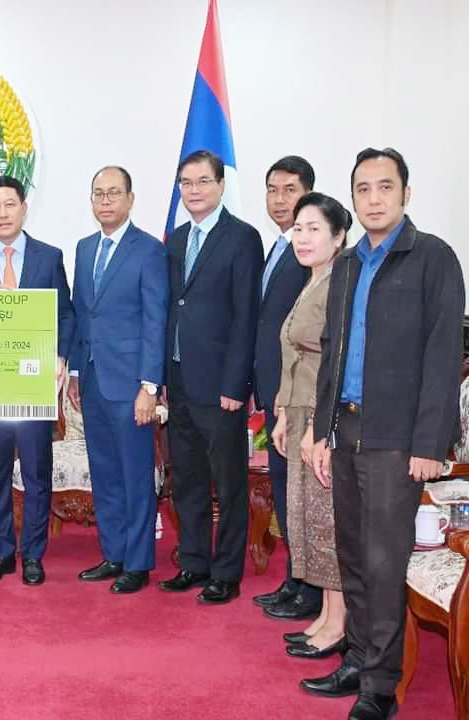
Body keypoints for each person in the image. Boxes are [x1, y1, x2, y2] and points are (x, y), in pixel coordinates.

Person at [305, 148, 465, 720]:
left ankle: (379, 685)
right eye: (363, 189)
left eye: (385, 187)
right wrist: (321, 429)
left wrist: (429, 444)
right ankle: (357, 658)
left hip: (397, 438)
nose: (373, 199)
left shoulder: (433, 258)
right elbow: (332, 351)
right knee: (352, 552)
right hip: (345, 428)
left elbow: (444, 355)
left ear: (405, 194)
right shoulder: (348, 262)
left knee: (381, 559)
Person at [0, 175, 75, 586]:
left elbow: (66, 314)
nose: (3, 213)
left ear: (24, 208)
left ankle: (34, 555)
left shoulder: (49, 257)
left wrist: (61, 356)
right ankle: (2, 552)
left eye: (10, 204)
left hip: (34, 382)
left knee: (37, 473)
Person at [158, 150, 264, 604]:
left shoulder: (242, 238)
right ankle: (194, 561)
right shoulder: (177, 239)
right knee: (187, 479)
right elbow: (173, 307)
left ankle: (226, 572)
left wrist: (236, 384)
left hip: (221, 385)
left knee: (229, 482)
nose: (194, 190)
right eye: (186, 183)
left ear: (221, 185)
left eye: (203, 181)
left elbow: (246, 316)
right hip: (179, 379)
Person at [67, 166, 167, 594]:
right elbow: (80, 313)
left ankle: (138, 562)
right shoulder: (84, 248)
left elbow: (156, 320)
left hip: (130, 385)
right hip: (92, 380)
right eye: (98, 194)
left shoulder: (149, 250)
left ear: (130, 199)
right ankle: (114, 554)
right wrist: (75, 371)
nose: (105, 201)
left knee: (135, 476)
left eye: (113, 193)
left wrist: (149, 386)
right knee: (105, 473)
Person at [269, 193, 349, 660]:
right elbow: (294, 356)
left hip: (322, 418)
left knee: (325, 521)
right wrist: (283, 413)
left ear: (338, 237)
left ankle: (338, 624)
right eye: (298, 228)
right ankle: (325, 614)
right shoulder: (311, 281)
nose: (302, 237)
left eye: (314, 229)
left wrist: (316, 426)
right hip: (298, 411)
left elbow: (333, 363)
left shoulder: (339, 285)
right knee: (306, 520)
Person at [251, 157, 320, 621]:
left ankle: (311, 588)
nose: (279, 199)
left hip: (300, 397)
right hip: (275, 394)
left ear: (308, 194)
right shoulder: (279, 246)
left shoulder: (313, 254)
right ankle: (296, 578)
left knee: (302, 495)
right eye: (272, 189)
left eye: (289, 190)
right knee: (284, 489)